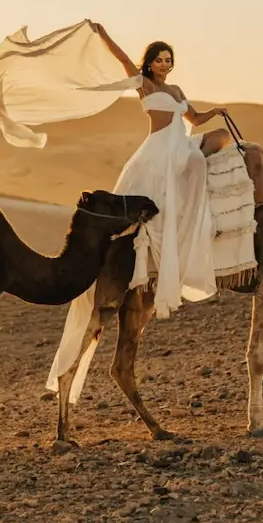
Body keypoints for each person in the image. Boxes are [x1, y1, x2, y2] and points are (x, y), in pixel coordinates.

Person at [42, 26, 235, 398]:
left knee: (210, 151)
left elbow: (194, 120)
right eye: (158, 59)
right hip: (156, 154)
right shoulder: (143, 85)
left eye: (168, 60)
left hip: (180, 147)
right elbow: (121, 59)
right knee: (162, 193)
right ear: (150, 63)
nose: (164, 65)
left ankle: (194, 226)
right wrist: (102, 34)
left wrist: (218, 111)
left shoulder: (177, 92)